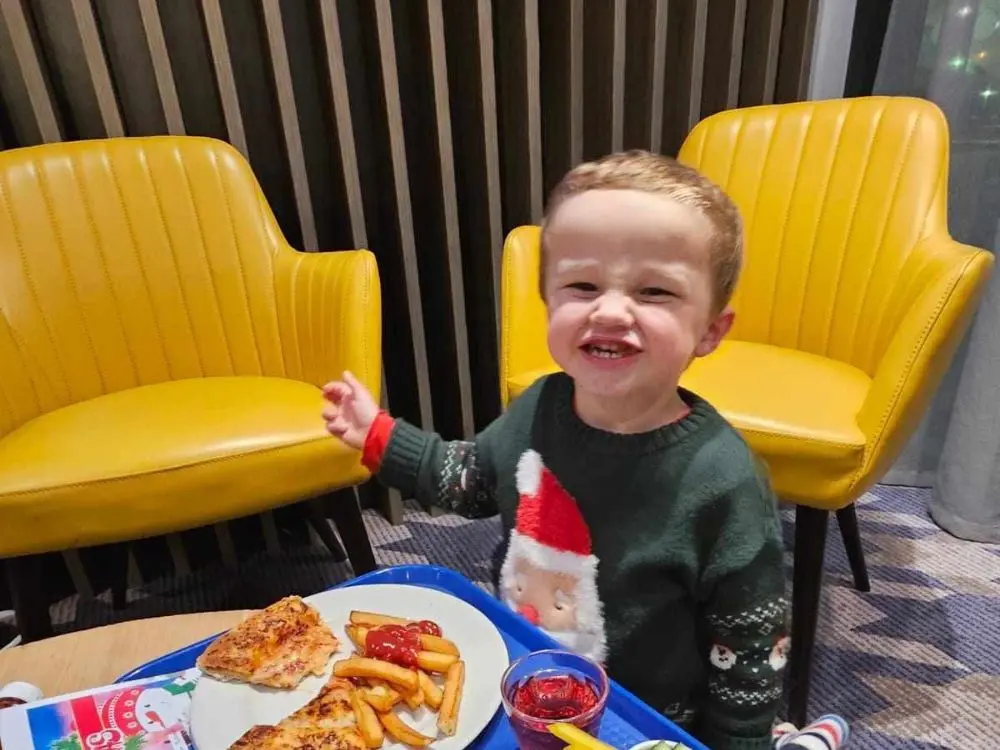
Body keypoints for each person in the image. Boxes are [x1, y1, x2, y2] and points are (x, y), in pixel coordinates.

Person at [322, 151, 846, 749]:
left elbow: (750, 646)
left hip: (654, 720)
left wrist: (739, 741)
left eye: (653, 291)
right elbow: (470, 480)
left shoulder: (723, 479)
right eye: (582, 285)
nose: (611, 309)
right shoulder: (539, 406)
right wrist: (381, 436)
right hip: (534, 677)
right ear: (548, 301)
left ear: (710, 331)